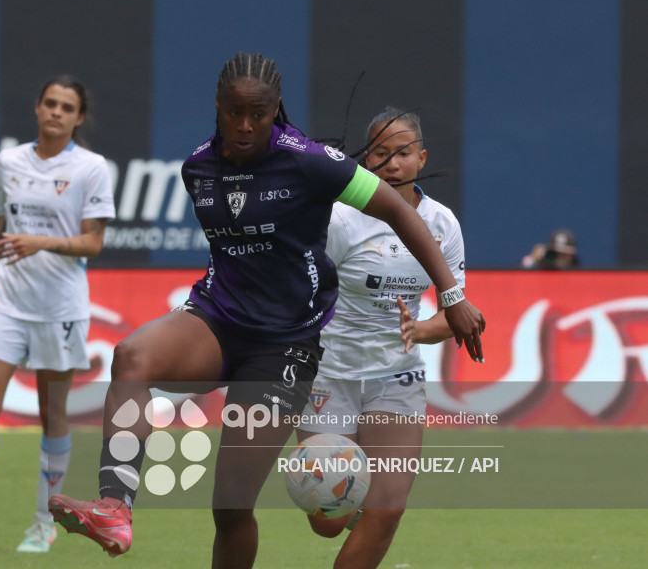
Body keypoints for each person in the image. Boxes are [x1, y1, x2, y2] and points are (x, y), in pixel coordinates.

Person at [48, 52, 485, 567]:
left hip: (284, 348)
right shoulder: (198, 169)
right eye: (235, 112)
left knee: (232, 507)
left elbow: (396, 211)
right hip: (217, 319)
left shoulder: (311, 161)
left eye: (259, 113)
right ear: (218, 106)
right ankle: (113, 507)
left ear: (277, 109)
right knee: (131, 356)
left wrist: (451, 296)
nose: (246, 125)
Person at [0, 75, 115, 553]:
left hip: (59, 311)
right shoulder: (8, 161)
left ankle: (43, 522)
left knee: (52, 415)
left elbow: (94, 242)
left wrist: (41, 242)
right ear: (37, 108)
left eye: (66, 107)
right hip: (6, 304)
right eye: (49, 103)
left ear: (78, 117)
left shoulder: (92, 168)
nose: (56, 112)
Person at [296, 107, 467, 568]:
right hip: (328, 373)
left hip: (397, 377)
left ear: (422, 157)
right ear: (364, 160)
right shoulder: (340, 220)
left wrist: (420, 328)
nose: (392, 164)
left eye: (403, 153)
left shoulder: (443, 224)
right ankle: (348, 507)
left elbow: (455, 312)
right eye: (380, 154)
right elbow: (301, 290)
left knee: (388, 509)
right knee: (327, 517)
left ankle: (371, 515)